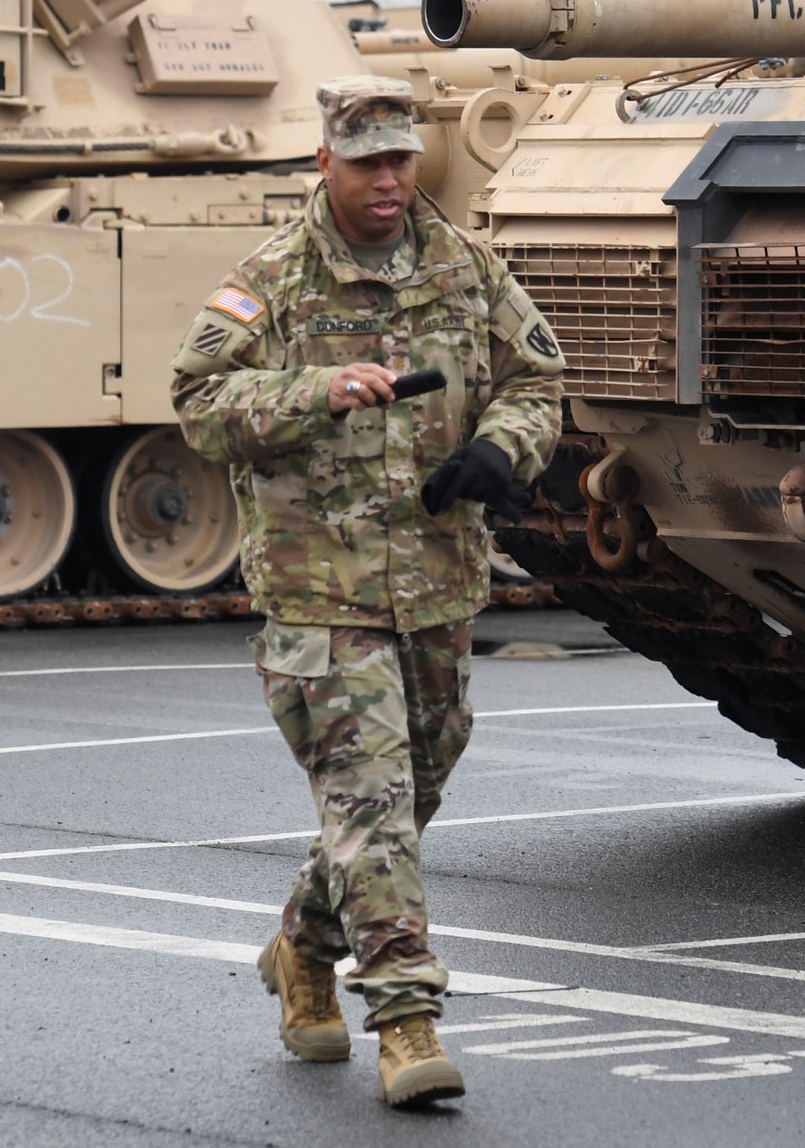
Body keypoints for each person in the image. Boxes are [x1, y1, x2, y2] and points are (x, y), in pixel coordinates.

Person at [171, 74, 564, 1108]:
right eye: (369, 162)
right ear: (325, 164)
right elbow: (198, 402)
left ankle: (302, 942)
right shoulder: (272, 278)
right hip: (320, 590)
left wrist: (499, 450)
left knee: (416, 780)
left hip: (436, 580)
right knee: (373, 800)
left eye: (403, 159)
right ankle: (406, 1020)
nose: (390, 179)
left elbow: (537, 377)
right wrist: (313, 389)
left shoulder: (464, 265)